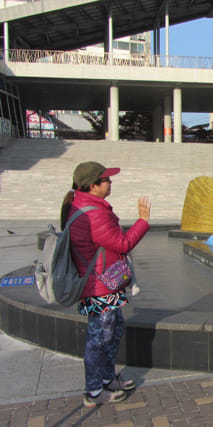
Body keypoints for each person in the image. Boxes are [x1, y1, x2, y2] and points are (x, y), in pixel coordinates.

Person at [60, 161, 151, 407]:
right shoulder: (93, 214)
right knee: (99, 337)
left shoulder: (87, 205)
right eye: (106, 179)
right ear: (93, 185)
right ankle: (93, 391)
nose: (110, 182)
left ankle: (108, 379)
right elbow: (122, 244)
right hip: (98, 287)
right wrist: (143, 221)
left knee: (113, 330)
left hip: (103, 284)